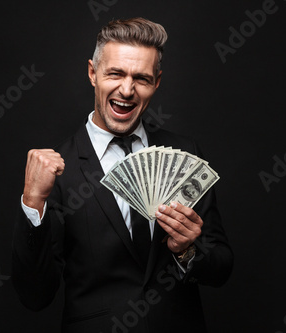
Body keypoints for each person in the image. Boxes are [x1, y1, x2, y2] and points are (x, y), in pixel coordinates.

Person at [12, 17, 233, 333]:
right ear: (93, 73)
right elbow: (35, 295)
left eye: (141, 79)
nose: (127, 90)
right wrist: (33, 202)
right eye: (115, 74)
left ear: (156, 83)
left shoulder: (184, 151)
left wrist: (188, 251)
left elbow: (222, 267)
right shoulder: (58, 170)